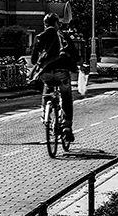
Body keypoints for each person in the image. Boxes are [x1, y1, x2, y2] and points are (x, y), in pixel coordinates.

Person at [30, 12, 82, 142]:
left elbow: (33, 59)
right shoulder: (63, 36)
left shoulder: (39, 37)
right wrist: (77, 65)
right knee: (66, 96)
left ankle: (45, 113)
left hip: (46, 72)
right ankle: (66, 127)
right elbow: (75, 55)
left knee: (47, 86)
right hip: (62, 72)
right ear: (57, 24)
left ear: (45, 24)